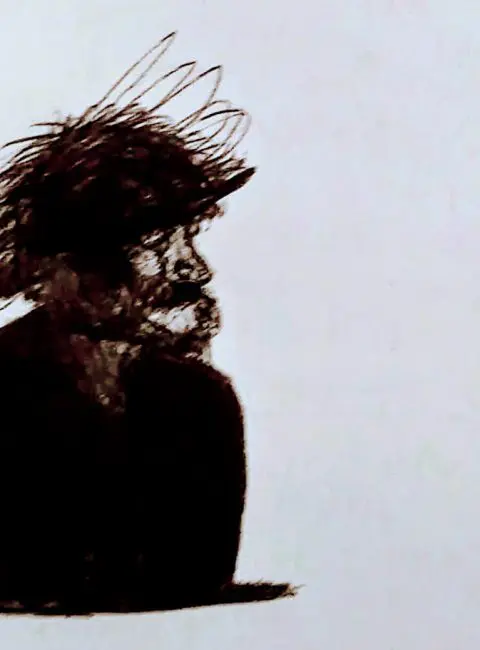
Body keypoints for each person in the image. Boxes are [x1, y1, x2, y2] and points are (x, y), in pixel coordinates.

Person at [0, 33, 260, 613]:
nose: (195, 268)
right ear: (65, 269)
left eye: (189, 236)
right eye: (156, 242)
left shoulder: (198, 401)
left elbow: (194, 579)